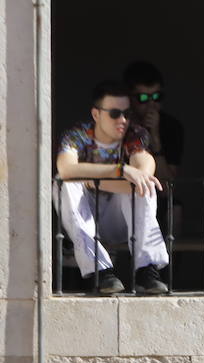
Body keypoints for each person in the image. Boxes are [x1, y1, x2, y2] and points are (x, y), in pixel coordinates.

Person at [55, 80, 169, 296]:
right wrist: (120, 171)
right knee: (64, 182)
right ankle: (102, 271)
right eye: (115, 113)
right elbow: (66, 168)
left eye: (126, 113)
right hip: (84, 218)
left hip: (120, 220)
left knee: (144, 183)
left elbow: (145, 167)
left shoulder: (133, 135)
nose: (123, 120)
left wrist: (92, 179)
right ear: (96, 114)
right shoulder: (78, 135)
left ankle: (147, 269)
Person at [122, 60, 184, 233]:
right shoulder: (117, 124)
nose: (151, 104)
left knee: (174, 208)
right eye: (143, 98)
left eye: (156, 97)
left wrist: (155, 137)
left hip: (155, 198)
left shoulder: (172, 127)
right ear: (129, 99)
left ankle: (169, 261)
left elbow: (166, 187)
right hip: (120, 195)